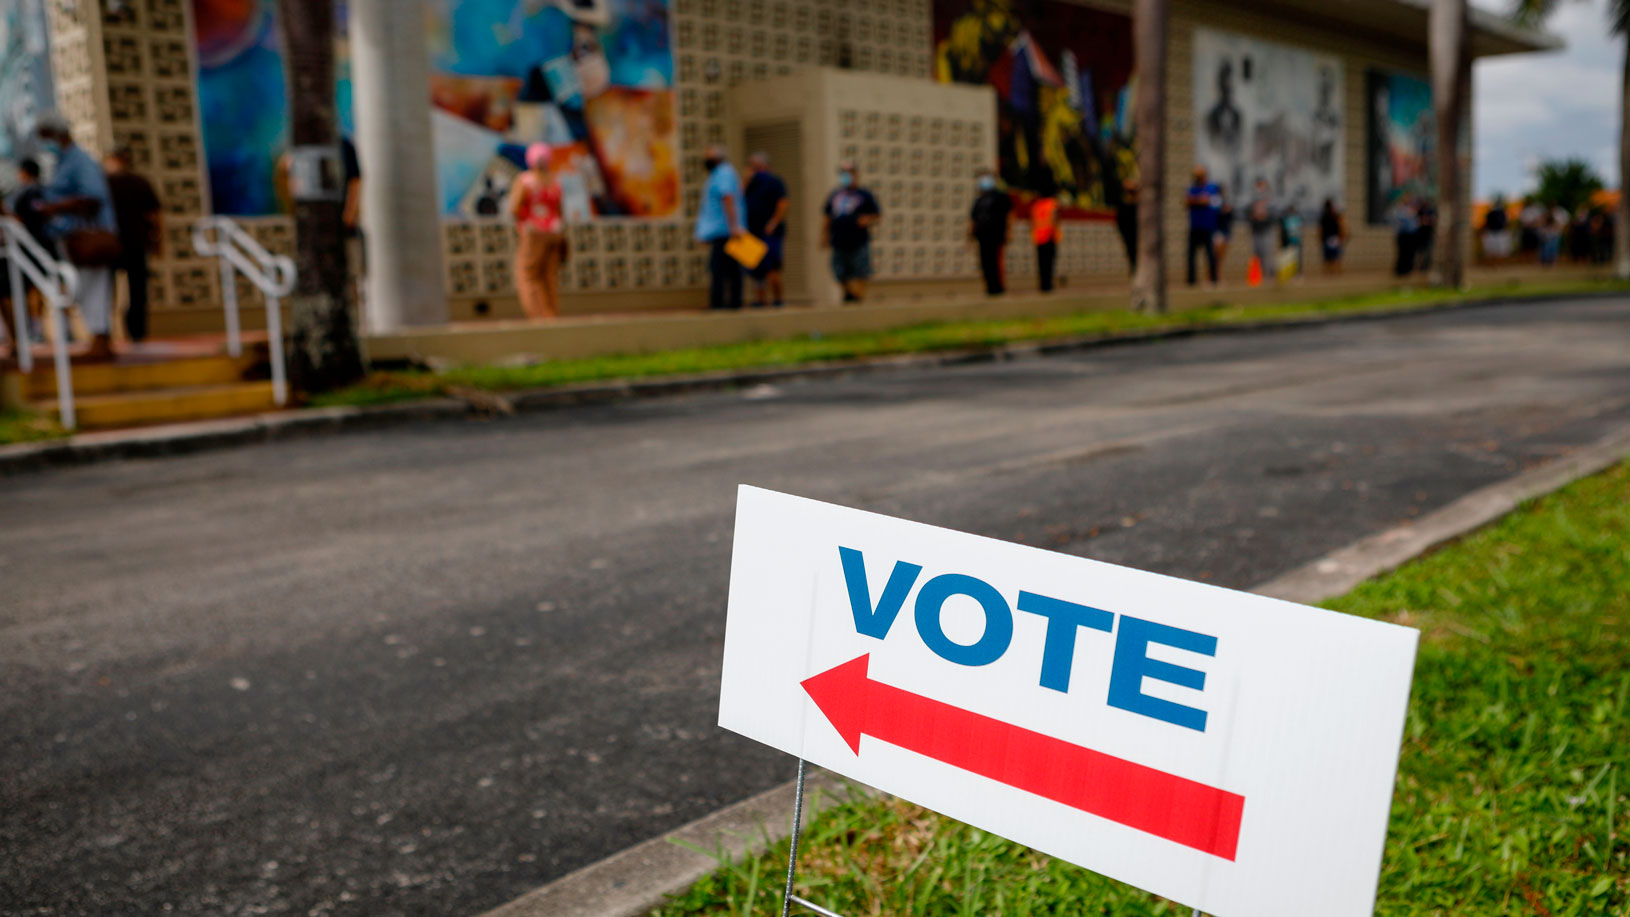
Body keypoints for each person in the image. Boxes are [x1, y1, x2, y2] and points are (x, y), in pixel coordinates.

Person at [35, 113, 118, 361]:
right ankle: (97, 339)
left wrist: (55, 208)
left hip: (88, 236)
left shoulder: (80, 161)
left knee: (92, 288)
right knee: (80, 289)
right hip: (70, 236)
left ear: (57, 134)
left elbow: (93, 196)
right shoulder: (62, 162)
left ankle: (101, 340)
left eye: (46, 137)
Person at [103, 147, 162, 343]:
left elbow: (154, 215)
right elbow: (155, 217)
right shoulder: (139, 182)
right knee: (138, 291)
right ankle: (136, 333)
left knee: (108, 290)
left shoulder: (105, 184)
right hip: (135, 243)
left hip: (114, 244)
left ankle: (105, 332)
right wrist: (159, 242)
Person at [509, 142, 568, 319]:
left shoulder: (525, 180)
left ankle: (540, 318)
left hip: (533, 233)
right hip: (554, 232)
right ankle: (552, 315)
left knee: (528, 276)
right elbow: (560, 211)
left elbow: (514, 208)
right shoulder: (555, 181)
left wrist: (523, 226)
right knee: (549, 276)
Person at [694, 144, 746, 311]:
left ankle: (721, 304)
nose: (705, 160)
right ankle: (730, 303)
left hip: (726, 231)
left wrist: (734, 226)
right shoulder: (719, 174)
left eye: (708, 156)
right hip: (722, 230)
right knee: (728, 268)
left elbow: (728, 199)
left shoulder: (723, 173)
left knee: (720, 268)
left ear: (717, 158)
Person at [821, 160, 880, 304]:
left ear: (856, 174)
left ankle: (858, 298)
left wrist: (867, 219)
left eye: (849, 172)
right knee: (840, 272)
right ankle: (849, 295)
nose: (846, 176)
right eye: (843, 173)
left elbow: (876, 214)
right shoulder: (835, 194)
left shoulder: (864, 194)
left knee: (861, 271)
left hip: (858, 240)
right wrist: (824, 235)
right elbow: (827, 216)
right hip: (839, 239)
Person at [743, 152, 789, 307]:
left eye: (755, 166)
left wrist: (774, 222)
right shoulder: (750, 184)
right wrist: (746, 181)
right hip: (752, 232)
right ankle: (760, 300)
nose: (753, 169)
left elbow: (783, 203)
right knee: (756, 271)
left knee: (772, 268)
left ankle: (778, 299)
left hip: (770, 233)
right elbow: (739, 199)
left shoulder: (775, 182)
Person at [968, 168, 1012, 296]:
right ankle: (990, 287)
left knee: (995, 262)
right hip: (982, 236)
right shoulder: (979, 200)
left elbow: (1009, 214)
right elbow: (973, 219)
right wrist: (969, 236)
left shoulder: (1000, 196)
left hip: (996, 235)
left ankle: (998, 287)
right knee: (985, 262)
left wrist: (1009, 231)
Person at [1185, 166, 1220, 287]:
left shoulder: (1211, 187)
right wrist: (1199, 200)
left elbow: (1206, 200)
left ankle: (1214, 279)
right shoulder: (1192, 188)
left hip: (1207, 226)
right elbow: (1187, 202)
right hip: (1195, 226)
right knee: (1191, 255)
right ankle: (1191, 281)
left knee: (1210, 254)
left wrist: (1196, 201)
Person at [1030, 182, 1060, 293]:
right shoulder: (1052, 203)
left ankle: (1043, 285)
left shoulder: (1036, 205)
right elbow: (1055, 219)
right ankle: (1048, 285)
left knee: (1041, 263)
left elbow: (1032, 222)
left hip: (1039, 237)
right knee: (1049, 263)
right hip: (1049, 237)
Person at [1247, 178, 1277, 282]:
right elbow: (1249, 215)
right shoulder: (1252, 201)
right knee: (1256, 255)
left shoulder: (1270, 202)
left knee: (1267, 254)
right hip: (1256, 230)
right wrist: (1255, 215)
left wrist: (1265, 215)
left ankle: (1269, 276)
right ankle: (1258, 277)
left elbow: (1273, 215)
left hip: (1266, 230)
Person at [1392, 195, 1419, 277]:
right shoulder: (1400, 209)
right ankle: (1400, 270)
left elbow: (1414, 222)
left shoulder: (1412, 209)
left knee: (1409, 252)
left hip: (1411, 234)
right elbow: (1398, 219)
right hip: (1402, 234)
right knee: (1402, 252)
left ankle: (1408, 269)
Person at [1319, 198, 1346, 274]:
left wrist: (1342, 236)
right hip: (1329, 238)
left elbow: (1341, 226)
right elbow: (1321, 229)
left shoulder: (1335, 216)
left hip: (1333, 238)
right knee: (1330, 258)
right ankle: (1331, 272)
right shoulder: (1325, 216)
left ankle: (1335, 272)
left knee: (1334, 257)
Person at [1213, 191, 1234, 276]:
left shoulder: (1228, 205)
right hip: (1218, 232)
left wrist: (1228, 211)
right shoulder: (1216, 205)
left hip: (1226, 232)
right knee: (1216, 256)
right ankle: (1214, 275)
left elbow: (1230, 219)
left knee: (1221, 257)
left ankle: (1217, 274)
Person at [1414, 200, 1436, 274]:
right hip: (1420, 235)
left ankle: (1425, 267)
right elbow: (1418, 221)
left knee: (1428, 251)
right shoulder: (1420, 211)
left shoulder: (1431, 211)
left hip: (1428, 235)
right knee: (1420, 251)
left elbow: (1433, 221)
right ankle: (1419, 266)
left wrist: (1428, 221)